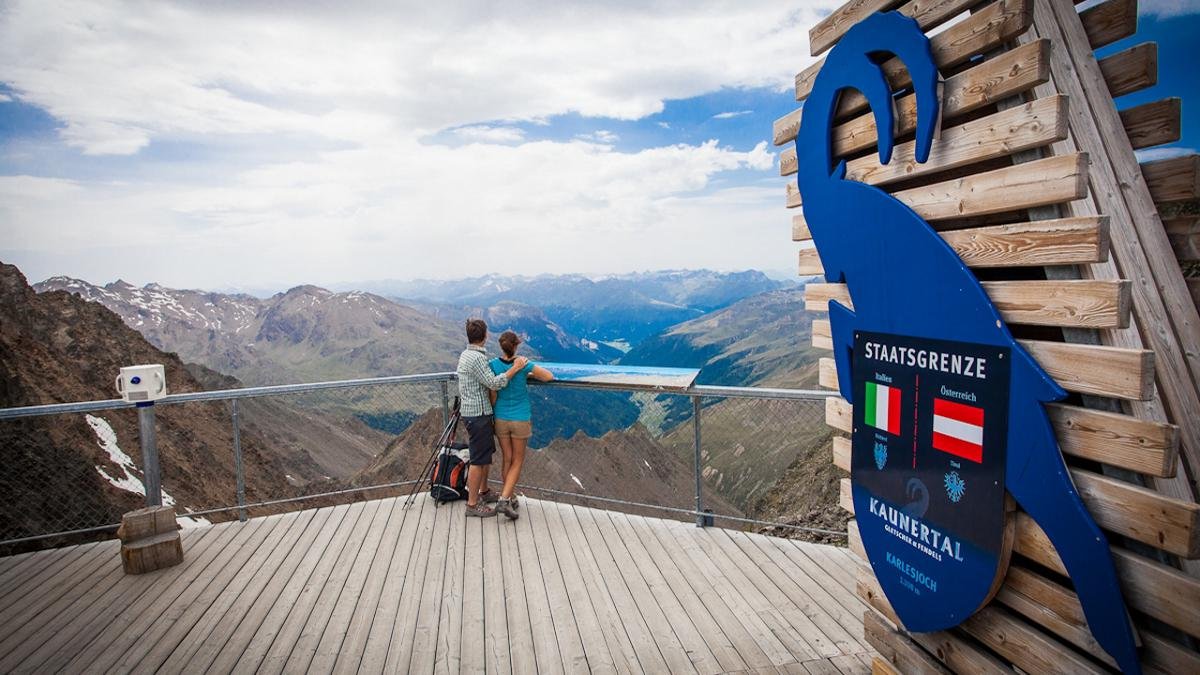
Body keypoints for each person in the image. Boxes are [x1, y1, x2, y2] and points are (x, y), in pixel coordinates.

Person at [456, 318, 528, 518]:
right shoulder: (477, 359)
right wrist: (515, 368)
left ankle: (484, 492)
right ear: (485, 336)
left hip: (474, 412)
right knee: (478, 460)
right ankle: (472, 505)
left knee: (484, 455)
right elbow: (494, 383)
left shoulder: (466, 354)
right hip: (478, 414)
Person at [488, 331, 553, 520]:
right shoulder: (524, 365)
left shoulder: (493, 365)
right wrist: (529, 372)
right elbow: (548, 376)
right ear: (516, 346)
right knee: (517, 461)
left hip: (500, 418)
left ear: (501, 346)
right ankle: (503, 499)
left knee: (507, 459)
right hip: (520, 419)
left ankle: (508, 496)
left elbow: (492, 388)